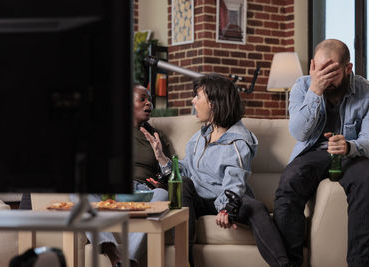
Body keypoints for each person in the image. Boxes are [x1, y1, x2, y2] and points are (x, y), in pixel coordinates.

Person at [142, 74, 290, 267]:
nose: (193, 101)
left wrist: (227, 208)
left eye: (198, 96)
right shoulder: (200, 136)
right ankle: (185, 262)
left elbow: (235, 179)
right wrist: (161, 157)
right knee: (184, 184)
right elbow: (186, 172)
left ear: (213, 102)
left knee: (256, 207)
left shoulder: (239, 139)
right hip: (198, 199)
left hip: (227, 197)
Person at [273, 39, 369, 267]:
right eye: (320, 70)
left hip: (352, 154)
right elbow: (298, 133)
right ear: (313, 66)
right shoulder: (302, 86)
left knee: (368, 176)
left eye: (331, 72)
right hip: (313, 153)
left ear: (348, 68)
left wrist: (349, 146)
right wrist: (315, 90)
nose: (325, 78)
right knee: (289, 182)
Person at [72, 84, 171, 267]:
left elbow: (172, 176)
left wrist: (160, 158)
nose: (149, 103)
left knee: (163, 196)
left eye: (150, 100)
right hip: (111, 189)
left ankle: (128, 261)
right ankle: (111, 250)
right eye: (142, 99)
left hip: (143, 192)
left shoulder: (157, 136)